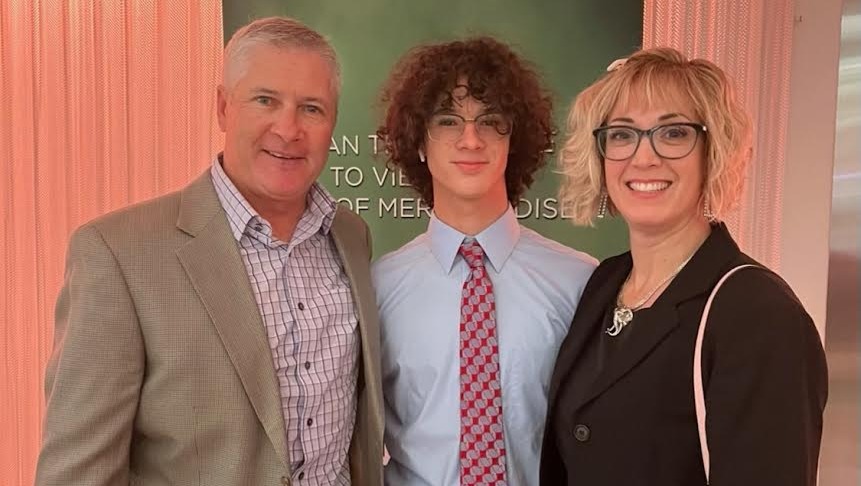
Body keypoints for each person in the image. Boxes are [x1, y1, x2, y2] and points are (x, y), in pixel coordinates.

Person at [35, 16, 383, 486]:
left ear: (333, 122)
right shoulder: (118, 254)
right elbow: (78, 473)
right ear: (223, 107)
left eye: (311, 108)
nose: (288, 129)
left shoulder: (351, 237)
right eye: (266, 100)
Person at [540, 47, 828, 485]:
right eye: (622, 134)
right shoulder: (604, 283)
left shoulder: (758, 313)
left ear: (712, 152)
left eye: (673, 133)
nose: (644, 158)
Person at [372, 37, 597, 486]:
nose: (471, 139)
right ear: (419, 141)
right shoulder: (377, 288)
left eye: (491, 121)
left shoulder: (580, 283)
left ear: (515, 139)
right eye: (448, 120)